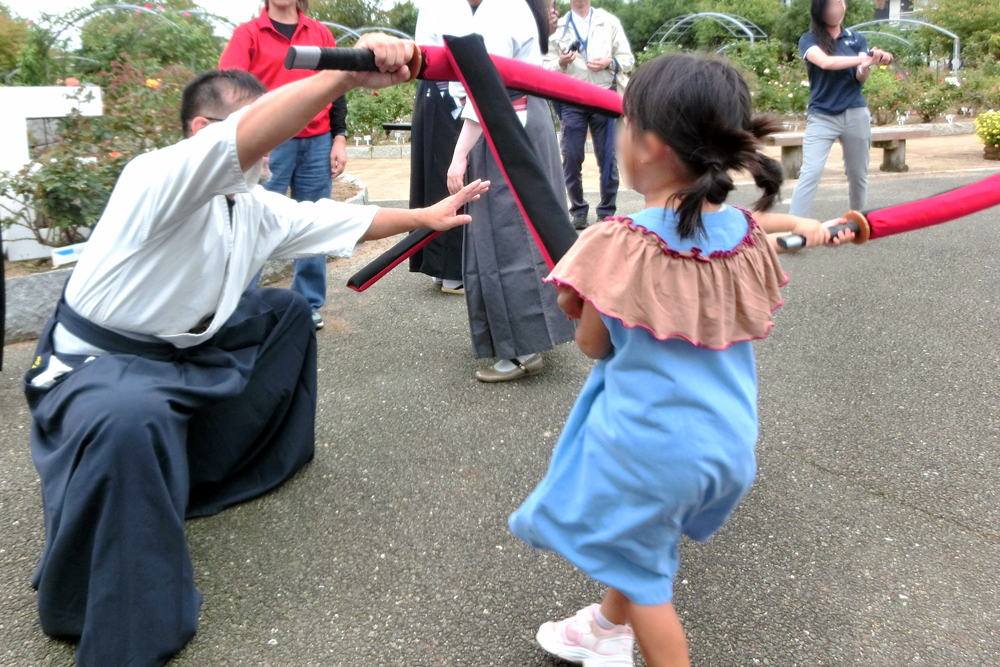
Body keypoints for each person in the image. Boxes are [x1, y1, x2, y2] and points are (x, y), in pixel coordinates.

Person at [22, 35, 488, 667]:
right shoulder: (156, 176)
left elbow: (336, 221)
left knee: (285, 313)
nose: (270, 147)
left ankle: (219, 469)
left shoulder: (254, 206)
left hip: (180, 351)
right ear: (201, 132)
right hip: (99, 368)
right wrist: (345, 79)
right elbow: (243, 141)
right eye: (253, 131)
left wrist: (424, 216)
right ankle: (114, 616)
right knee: (131, 415)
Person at [508, 53, 789, 667]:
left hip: (649, 448)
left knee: (646, 579)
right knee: (638, 543)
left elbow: (593, 345)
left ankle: (626, 640)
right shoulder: (743, 233)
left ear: (650, 145)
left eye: (626, 123)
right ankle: (605, 628)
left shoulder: (617, 241)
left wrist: (581, 304)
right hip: (725, 443)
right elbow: (764, 239)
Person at [446, 0, 576, 383]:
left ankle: (522, 349)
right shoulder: (514, 6)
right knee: (526, 230)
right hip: (520, 122)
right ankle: (531, 337)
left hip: (504, 127)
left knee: (507, 235)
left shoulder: (499, 9)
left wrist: (458, 155)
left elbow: (489, 90)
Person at [221, 0, 350, 330]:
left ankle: (308, 303)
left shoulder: (319, 33)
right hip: (270, 142)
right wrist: (251, 140)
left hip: (318, 141)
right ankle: (239, 306)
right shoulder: (248, 35)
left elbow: (337, 87)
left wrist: (339, 137)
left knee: (314, 220)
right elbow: (229, 91)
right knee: (253, 221)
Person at [789, 0, 893, 219]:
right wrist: (863, 57)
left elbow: (860, 75)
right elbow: (825, 62)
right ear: (820, 11)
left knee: (858, 173)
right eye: (829, 6)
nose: (835, 10)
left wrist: (867, 65)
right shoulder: (809, 39)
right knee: (811, 172)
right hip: (822, 116)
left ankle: (858, 220)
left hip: (855, 112)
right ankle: (796, 226)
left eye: (839, 4)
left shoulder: (857, 39)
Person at [545, 0, 632, 230]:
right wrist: (561, 62)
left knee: (607, 155)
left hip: (603, 95)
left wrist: (610, 62)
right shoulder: (559, 27)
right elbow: (543, 65)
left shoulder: (609, 22)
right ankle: (578, 210)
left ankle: (606, 211)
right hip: (572, 98)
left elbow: (627, 59)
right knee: (571, 155)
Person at [407, 0, 475, 294]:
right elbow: (453, 49)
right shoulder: (451, 4)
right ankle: (451, 273)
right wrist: (460, 100)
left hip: (435, 91)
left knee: (438, 178)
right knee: (450, 179)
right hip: (448, 92)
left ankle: (439, 269)